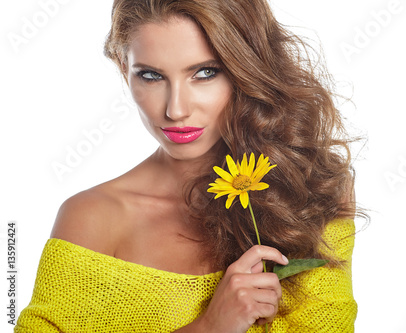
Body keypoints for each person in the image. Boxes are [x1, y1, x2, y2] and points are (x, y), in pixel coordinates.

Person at [15, 0, 361, 332]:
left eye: (205, 73)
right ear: (125, 71)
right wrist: (210, 328)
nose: (176, 110)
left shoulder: (313, 192)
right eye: (151, 76)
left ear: (248, 68)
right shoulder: (93, 218)